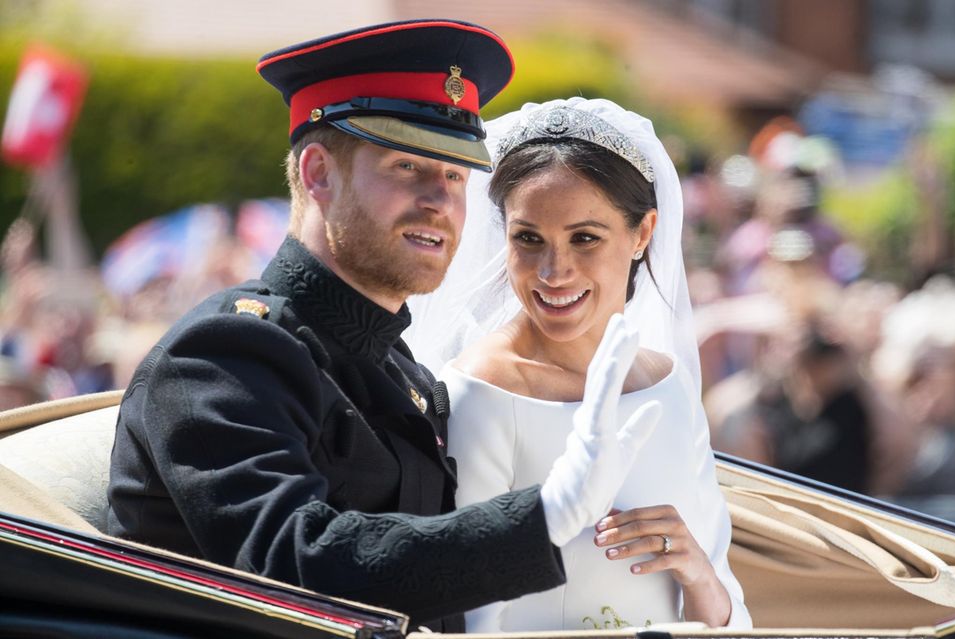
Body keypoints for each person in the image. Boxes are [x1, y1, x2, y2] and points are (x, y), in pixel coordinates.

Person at [107, 20, 662, 632]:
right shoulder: (223, 354)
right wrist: (545, 515)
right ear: (318, 173)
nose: (440, 201)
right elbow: (293, 565)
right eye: (407, 166)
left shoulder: (402, 369)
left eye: (455, 174)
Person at [406, 98, 751, 629]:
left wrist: (697, 570)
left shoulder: (667, 384)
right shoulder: (482, 390)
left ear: (642, 233)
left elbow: (724, 603)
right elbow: (467, 613)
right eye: (529, 239)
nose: (554, 270)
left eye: (585, 238)